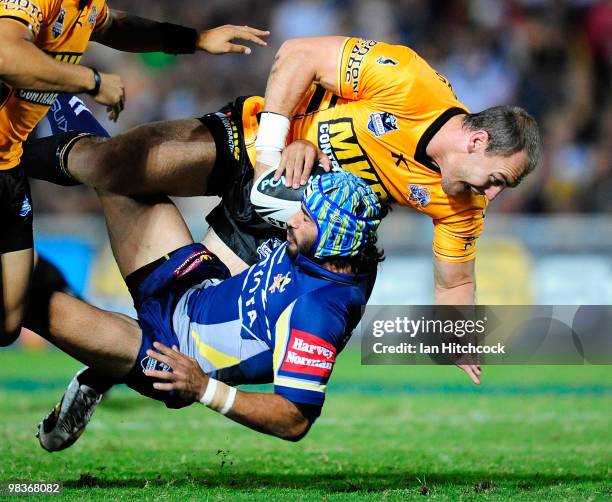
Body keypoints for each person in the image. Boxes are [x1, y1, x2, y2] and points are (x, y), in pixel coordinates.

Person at [25, 36, 542, 307]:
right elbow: (298, 56)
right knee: (111, 164)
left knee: (180, 318)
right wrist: (277, 149)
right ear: (476, 141)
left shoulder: (461, 205)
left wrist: (457, 342)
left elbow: (453, 285)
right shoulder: (410, 83)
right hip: (251, 142)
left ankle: (95, 376)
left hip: (280, 220)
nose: (491, 196)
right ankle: (15, 153)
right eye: (497, 178)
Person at [32, 169, 385, 451]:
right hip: (194, 283)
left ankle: (112, 365)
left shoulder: (318, 310)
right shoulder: (339, 246)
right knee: (111, 165)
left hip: (169, 350)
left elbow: (295, 419)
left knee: (29, 306)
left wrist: (202, 388)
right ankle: (104, 372)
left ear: (334, 235)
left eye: (306, 217)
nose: (292, 219)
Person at [0, 0, 269, 347]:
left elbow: (118, 27)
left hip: (9, 165)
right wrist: (91, 80)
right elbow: (5, 53)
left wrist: (197, 40)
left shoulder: (86, 9)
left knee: (8, 322)